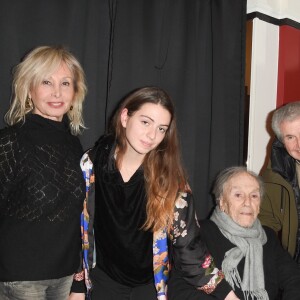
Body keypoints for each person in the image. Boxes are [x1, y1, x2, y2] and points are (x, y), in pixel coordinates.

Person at [69, 86, 239, 300]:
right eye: (145, 122)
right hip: (104, 281)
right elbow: (79, 230)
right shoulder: (91, 164)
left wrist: (230, 297)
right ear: (125, 117)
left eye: (161, 128)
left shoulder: (171, 182)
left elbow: (190, 252)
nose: (152, 135)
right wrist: (78, 285)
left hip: (149, 287)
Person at [0, 45, 87, 300]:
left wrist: (78, 281)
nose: (57, 92)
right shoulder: (10, 142)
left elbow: (76, 219)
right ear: (29, 88)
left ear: (75, 90)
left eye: (65, 83)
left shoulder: (74, 142)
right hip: (21, 278)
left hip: (65, 275)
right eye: (46, 82)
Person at [168, 166, 300, 300]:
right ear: (222, 202)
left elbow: (294, 279)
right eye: (238, 195)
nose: (248, 202)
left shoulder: (268, 237)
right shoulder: (200, 233)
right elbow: (178, 289)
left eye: (254, 196)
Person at [259, 101, 300, 263]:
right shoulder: (277, 172)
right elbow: (266, 220)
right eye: (290, 137)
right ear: (282, 142)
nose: (299, 144)